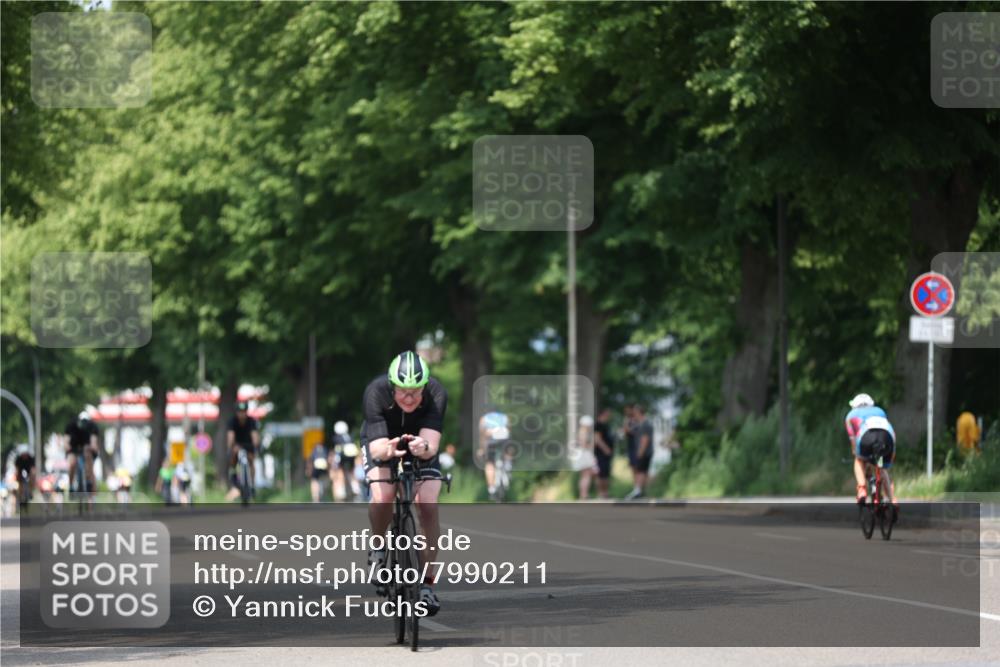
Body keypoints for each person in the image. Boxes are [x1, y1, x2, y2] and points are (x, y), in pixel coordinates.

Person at [361, 351, 447, 616]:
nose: (409, 398)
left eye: (415, 392)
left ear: (425, 386)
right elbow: (376, 450)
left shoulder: (436, 393)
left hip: (420, 446)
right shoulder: (376, 392)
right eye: (403, 392)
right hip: (383, 443)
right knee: (384, 495)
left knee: (428, 504)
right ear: (392, 385)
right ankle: (377, 548)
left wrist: (423, 447)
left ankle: (426, 585)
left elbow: (431, 443)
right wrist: (388, 451)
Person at [844, 393, 898, 510]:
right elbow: (887, 429)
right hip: (886, 438)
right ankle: (892, 500)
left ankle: (862, 489)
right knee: (881, 466)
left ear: (854, 406)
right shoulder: (880, 411)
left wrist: (856, 453)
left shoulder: (850, 415)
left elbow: (853, 440)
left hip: (866, 438)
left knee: (859, 460)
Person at [227, 400, 260, 500]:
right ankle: (233, 472)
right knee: (233, 455)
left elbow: (255, 436)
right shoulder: (232, 421)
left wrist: (256, 446)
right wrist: (229, 448)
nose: (242, 414)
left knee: (251, 461)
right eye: (240, 412)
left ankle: (252, 484)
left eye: (244, 411)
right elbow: (231, 436)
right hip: (237, 445)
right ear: (236, 412)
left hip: (248, 445)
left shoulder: (251, 421)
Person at [479, 407, 510, 501]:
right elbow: (509, 431)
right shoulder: (505, 417)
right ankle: (508, 464)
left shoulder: (484, 418)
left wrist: (482, 449)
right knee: (507, 450)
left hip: (491, 439)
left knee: (489, 463)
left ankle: (491, 488)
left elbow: (483, 436)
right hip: (504, 437)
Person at [64, 411, 99, 496]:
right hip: (74, 449)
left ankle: (89, 484)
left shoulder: (92, 427)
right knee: (72, 464)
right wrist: (68, 447)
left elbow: (94, 443)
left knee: (89, 463)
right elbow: (66, 442)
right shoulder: (71, 426)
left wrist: (93, 448)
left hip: (86, 449)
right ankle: (71, 485)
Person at [625, 405, 653, 500]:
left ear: (639, 413)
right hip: (643, 451)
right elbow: (628, 431)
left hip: (644, 451)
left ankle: (637, 490)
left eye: (635, 413)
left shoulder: (645, 424)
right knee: (642, 471)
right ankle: (640, 491)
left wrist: (640, 452)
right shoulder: (640, 424)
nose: (633, 415)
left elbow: (645, 439)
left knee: (640, 471)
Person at [332, 421, 361, 500]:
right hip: (351, 456)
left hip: (343, 456)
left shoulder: (336, 438)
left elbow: (337, 450)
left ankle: (342, 491)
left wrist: (335, 462)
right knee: (352, 471)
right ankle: (355, 487)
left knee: (340, 471)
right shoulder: (349, 436)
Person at [593, 408, 615, 500]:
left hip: (606, 455)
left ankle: (605, 493)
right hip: (600, 453)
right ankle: (600, 494)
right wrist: (606, 449)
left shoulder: (606, 425)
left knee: (605, 474)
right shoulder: (598, 425)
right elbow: (597, 439)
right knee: (600, 474)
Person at [574, 415, 597, 499]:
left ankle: (583, 494)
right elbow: (584, 445)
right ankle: (584, 495)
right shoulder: (583, 432)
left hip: (581, 455)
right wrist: (591, 445)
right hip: (584, 455)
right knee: (586, 475)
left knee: (584, 476)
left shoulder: (581, 431)